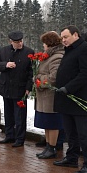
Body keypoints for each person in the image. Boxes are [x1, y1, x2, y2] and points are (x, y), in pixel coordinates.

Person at [53, 25, 87, 173]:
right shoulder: (70, 49)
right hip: (67, 100)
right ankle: (71, 158)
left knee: (84, 133)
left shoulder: (85, 49)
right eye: (62, 38)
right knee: (70, 132)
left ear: (75, 35)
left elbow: (86, 73)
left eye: (65, 37)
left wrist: (68, 88)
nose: (63, 40)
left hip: (79, 99)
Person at [0, 31, 34, 147]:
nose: (20, 44)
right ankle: (9, 135)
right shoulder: (3, 51)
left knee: (20, 116)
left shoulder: (29, 52)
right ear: (11, 42)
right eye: (17, 42)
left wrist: (28, 88)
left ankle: (20, 138)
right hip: (6, 88)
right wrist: (5, 65)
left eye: (21, 41)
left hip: (20, 89)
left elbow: (31, 72)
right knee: (8, 114)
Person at [34, 31, 64, 159]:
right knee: (46, 123)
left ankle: (52, 147)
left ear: (50, 44)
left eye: (44, 43)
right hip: (44, 96)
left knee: (52, 123)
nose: (43, 46)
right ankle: (48, 146)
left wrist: (38, 79)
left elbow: (53, 78)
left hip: (50, 96)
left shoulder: (57, 57)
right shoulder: (48, 56)